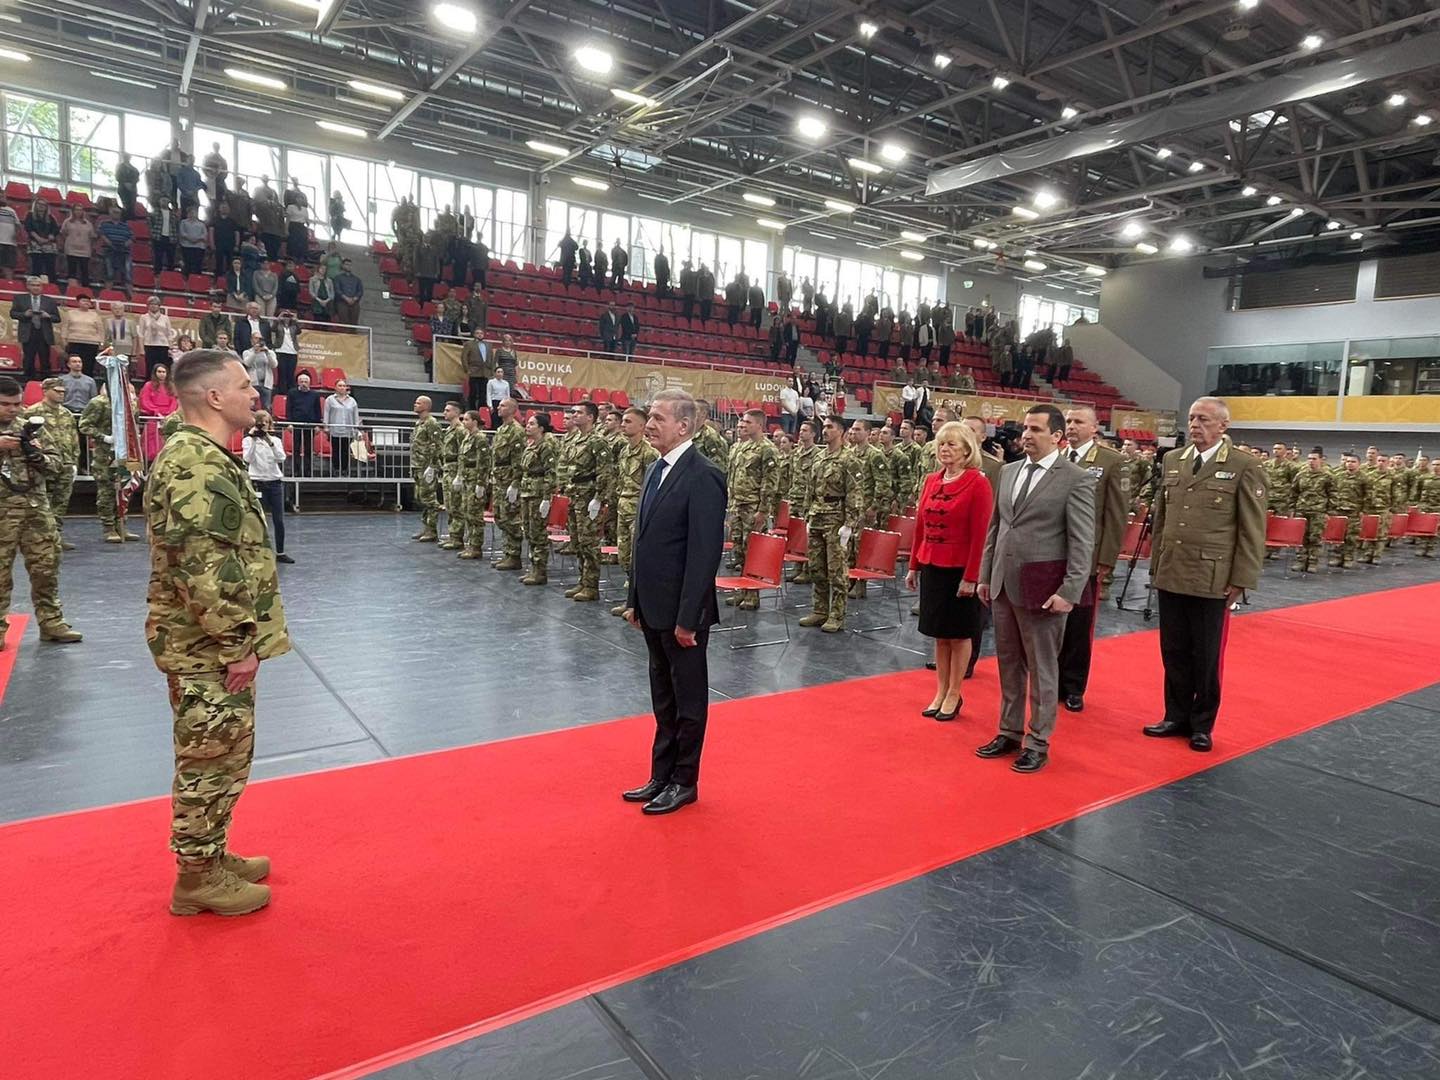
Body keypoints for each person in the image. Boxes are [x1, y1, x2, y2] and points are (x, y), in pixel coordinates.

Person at [146, 349, 287, 916]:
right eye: (244, 386)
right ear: (212, 397)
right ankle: (197, 879)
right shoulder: (196, 465)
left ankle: (210, 853)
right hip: (208, 647)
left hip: (209, 644)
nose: (255, 395)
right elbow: (204, 568)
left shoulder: (202, 456)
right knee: (209, 758)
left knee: (225, 754)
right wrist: (238, 645)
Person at [620, 389, 727, 816]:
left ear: (683, 426)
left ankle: (684, 780)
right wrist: (634, 600)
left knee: (688, 700)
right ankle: (660, 775)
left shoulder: (704, 474)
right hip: (652, 607)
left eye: (658, 418)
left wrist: (688, 619)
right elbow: (641, 542)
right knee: (663, 697)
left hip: (682, 614)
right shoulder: (654, 469)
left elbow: (704, 553)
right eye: (650, 417)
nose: (650, 424)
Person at [975, 405, 1096, 774]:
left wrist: (1070, 591)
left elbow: (1082, 541)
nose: (1026, 435)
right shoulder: (1009, 471)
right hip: (1002, 584)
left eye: (1036, 429)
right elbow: (996, 528)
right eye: (1025, 428)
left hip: (1044, 589)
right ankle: (1009, 731)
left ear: (1057, 436)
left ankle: (1038, 741)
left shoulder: (1076, 478)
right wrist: (984, 574)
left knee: (1043, 668)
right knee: (1009, 663)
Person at [1143, 398, 1265, 753]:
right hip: (1173, 569)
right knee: (1174, 649)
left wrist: (1241, 579)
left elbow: (1251, 528)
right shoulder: (1172, 459)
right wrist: (1156, 562)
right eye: (1192, 418)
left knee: (1206, 654)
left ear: (1223, 426)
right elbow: (1163, 516)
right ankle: (1175, 715)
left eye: (1204, 419)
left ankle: (1201, 723)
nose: (1195, 425)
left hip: (1213, 575)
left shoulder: (1244, 465)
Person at [907, 421, 992, 720]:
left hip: (960, 570)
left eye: (952, 444)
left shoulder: (978, 482)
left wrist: (971, 576)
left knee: (958, 634)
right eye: (942, 443)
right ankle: (940, 690)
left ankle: (955, 693)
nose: (945, 449)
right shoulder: (931, 480)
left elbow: (980, 534)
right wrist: (913, 566)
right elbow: (920, 525)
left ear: (968, 450)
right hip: (932, 565)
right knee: (939, 635)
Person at [1056, 406, 1129, 713]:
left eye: (1078, 422)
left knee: (1078, 624)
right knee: (1051, 623)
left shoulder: (1112, 461)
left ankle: (1073, 686)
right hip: (1053, 553)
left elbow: (1116, 513)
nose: (1071, 427)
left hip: (1086, 556)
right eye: (1068, 421)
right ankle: (1051, 679)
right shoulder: (1056, 458)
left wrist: (1107, 557)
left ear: (1094, 428)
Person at [0, 375, 82, 648]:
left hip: (35, 509)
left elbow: (56, 463)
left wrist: (36, 455)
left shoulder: (29, 427)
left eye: (16, 404)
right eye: (5, 404)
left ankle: (51, 622)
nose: (12, 410)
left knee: (46, 567)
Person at [798, 416, 861, 633]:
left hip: (836, 518)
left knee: (836, 571)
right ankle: (820, 610)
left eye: (829, 427)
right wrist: (808, 516)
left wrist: (849, 524)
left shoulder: (849, 459)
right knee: (816, 568)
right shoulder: (819, 458)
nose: (825, 431)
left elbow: (855, 493)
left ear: (841, 431)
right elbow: (810, 489)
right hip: (817, 516)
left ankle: (836, 614)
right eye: (823, 427)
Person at [725, 409, 779, 610]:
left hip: (753, 507)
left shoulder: (767, 449)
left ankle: (752, 595)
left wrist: (763, 510)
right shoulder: (740, 447)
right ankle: (742, 589)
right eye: (743, 422)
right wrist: (730, 506)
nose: (743, 425)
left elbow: (770, 482)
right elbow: (731, 478)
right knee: (739, 550)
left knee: (752, 551)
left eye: (748, 422)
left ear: (759, 425)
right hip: (738, 506)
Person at [557, 400, 611, 602]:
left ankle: (591, 585)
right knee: (578, 542)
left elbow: (605, 472)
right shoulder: (574, 440)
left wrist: (599, 498)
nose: (574, 415)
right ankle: (583, 580)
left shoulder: (597, 441)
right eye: (573, 412)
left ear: (591, 417)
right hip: (574, 494)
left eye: (579, 412)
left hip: (588, 496)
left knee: (589, 543)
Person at [23, 377, 81, 551]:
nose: (61, 395)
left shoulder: (66, 414)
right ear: (45, 390)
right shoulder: (33, 413)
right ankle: (39, 538)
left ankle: (55, 536)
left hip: (65, 464)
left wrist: (74, 461)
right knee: (42, 503)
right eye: (57, 391)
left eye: (63, 392)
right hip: (44, 465)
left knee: (61, 503)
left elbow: (73, 439)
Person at [243, 410, 291, 565]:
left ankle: (281, 552)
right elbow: (247, 458)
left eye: (266, 423)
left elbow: (281, 457)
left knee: (278, 519)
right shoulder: (249, 441)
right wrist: (254, 439)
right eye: (261, 423)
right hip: (257, 481)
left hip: (274, 481)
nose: (264, 427)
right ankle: (256, 551)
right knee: (257, 519)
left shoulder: (275, 440)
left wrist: (269, 441)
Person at [519, 412, 559, 583]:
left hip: (538, 494)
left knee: (538, 534)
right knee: (528, 531)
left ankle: (540, 571)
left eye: (532, 424)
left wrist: (546, 497)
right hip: (527, 492)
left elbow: (551, 473)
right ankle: (533, 568)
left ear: (541, 428)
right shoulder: (531, 445)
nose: (528, 426)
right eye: (527, 423)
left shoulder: (545, 447)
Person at [11, 277, 61, 380]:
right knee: (29, 357)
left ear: (42, 287)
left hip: (44, 332)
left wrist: (48, 316)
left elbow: (57, 318)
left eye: (38, 285)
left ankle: (46, 380)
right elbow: (13, 313)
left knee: (45, 358)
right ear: (28, 286)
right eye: (33, 285)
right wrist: (24, 314)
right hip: (28, 332)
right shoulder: (20, 298)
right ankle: (28, 379)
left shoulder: (49, 300)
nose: (36, 288)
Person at [409, 395, 444, 541]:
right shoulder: (419, 423)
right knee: (421, 498)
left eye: (419, 403)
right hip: (417, 465)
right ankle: (426, 527)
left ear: (427, 406)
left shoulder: (432, 423)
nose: (415, 404)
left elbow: (437, 445)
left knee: (429, 498)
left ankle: (432, 530)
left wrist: (433, 466)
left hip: (426, 466)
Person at [286, 372, 323, 479]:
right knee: (296, 448)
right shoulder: (292, 393)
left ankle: (308, 471)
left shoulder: (315, 395)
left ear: (309, 383)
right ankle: (296, 471)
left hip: (310, 424)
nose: (303, 383)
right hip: (296, 424)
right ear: (298, 382)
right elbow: (289, 408)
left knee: (308, 449)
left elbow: (317, 411)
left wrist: (317, 425)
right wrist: (289, 423)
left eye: (306, 381)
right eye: (301, 381)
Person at [140, 363, 179, 461]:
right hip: (153, 418)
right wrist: (156, 412)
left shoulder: (171, 386)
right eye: (159, 372)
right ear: (155, 373)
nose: (162, 374)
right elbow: (145, 401)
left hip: (168, 416)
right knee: (152, 443)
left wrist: (169, 413)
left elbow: (174, 401)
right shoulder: (148, 385)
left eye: (164, 372)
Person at [322, 379, 360, 476]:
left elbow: (356, 415)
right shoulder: (330, 400)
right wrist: (326, 427)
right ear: (335, 387)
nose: (342, 387)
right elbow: (326, 413)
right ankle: (336, 469)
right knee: (336, 451)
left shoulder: (352, 401)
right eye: (340, 385)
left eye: (344, 386)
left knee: (346, 451)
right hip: (334, 430)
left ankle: (344, 470)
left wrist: (356, 429)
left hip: (348, 430)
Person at [63, 292, 104, 379]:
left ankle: (88, 381)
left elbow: (100, 331)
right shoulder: (70, 313)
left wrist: (101, 344)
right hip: (74, 341)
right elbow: (65, 328)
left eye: (88, 301)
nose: (86, 303)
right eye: (83, 301)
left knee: (88, 364)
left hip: (91, 343)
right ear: (78, 302)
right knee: (74, 363)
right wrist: (64, 340)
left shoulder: (95, 315)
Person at [271, 309, 301, 395]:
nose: (287, 318)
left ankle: (291, 392)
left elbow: (299, 331)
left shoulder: (294, 326)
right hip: (281, 351)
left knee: (291, 373)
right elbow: (273, 329)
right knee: (282, 372)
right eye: (285, 317)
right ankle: (282, 392)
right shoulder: (279, 325)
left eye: (288, 317)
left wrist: (295, 318)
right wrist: (280, 316)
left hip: (292, 352)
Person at [242, 339, 277, 410]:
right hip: (253, 383)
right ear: (252, 342)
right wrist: (255, 352)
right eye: (256, 340)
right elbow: (247, 363)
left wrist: (267, 354)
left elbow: (274, 365)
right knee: (251, 406)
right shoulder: (247, 352)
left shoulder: (270, 352)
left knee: (267, 406)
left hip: (266, 383)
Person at [460, 328, 490, 411]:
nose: (480, 335)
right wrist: (467, 369)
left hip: (485, 372)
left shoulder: (488, 345)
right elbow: (464, 357)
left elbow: (491, 357)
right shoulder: (469, 344)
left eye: (481, 333)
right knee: (473, 392)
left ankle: (481, 410)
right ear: (474, 334)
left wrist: (490, 370)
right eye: (477, 333)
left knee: (483, 393)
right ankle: (472, 409)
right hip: (474, 371)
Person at [333, 258, 364, 325]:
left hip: (354, 302)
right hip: (342, 302)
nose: (349, 266)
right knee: (344, 321)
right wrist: (346, 298)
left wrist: (355, 298)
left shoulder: (357, 279)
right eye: (347, 264)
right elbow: (337, 290)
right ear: (343, 266)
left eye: (350, 265)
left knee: (354, 322)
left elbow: (360, 291)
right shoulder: (338, 278)